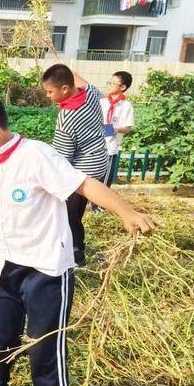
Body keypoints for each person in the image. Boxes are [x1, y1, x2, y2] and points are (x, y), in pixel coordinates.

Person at [0, 93, 155, 386]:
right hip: (5, 265)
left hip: (44, 269)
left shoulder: (36, 156)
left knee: (44, 346)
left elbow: (84, 185)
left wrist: (127, 212)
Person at [42, 64, 109, 265]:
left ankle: (76, 254)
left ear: (64, 89)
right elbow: (80, 81)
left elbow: (62, 158)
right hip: (100, 162)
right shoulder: (91, 94)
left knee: (68, 215)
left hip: (83, 171)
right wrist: (66, 70)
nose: (47, 96)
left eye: (49, 91)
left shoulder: (67, 117)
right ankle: (73, 248)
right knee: (76, 211)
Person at [98, 70, 134, 188]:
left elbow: (128, 128)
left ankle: (101, 200)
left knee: (104, 182)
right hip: (95, 146)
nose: (109, 86)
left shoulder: (126, 106)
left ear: (123, 87)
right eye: (109, 82)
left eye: (113, 83)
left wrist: (116, 130)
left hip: (110, 148)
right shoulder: (102, 102)